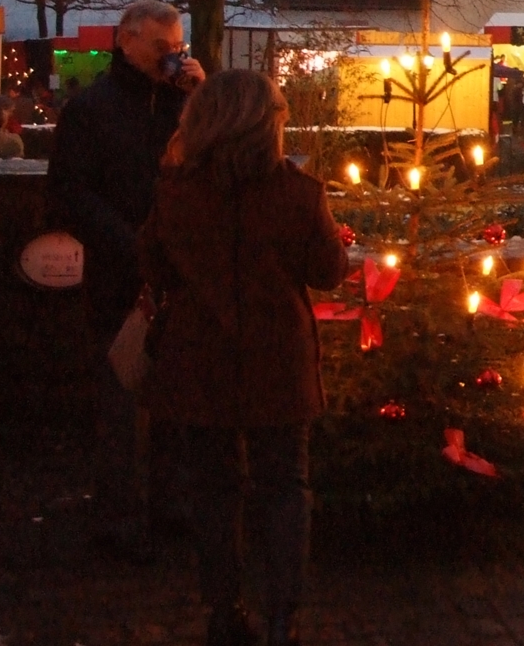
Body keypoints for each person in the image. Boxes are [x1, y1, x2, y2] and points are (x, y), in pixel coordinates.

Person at [136, 70, 346, 646]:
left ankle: (223, 612)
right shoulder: (299, 193)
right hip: (277, 361)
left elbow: (154, 268)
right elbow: (328, 272)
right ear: (267, 126)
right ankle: (283, 617)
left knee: (212, 489)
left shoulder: (175, 190)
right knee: (284, 486)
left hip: (198, 360)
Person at [48, 0, 205, 562]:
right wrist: (128, 244)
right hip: (119, 275)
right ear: (126, 41)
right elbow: (69, 194)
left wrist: (201, 100)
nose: (172, 56)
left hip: (176, 275)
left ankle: (171, 504)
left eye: (177, 46)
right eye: (160, 47)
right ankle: (118, 514)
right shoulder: (92, 111)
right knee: (120, 398)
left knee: (174, 397)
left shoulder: (184, 109)